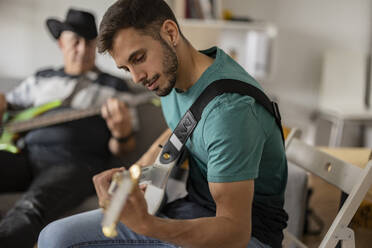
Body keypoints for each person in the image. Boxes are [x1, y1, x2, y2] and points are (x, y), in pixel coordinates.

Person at [38, 1, 288, 247]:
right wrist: (133, 175)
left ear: (170, 33)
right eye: (127, 68)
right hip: (191, 211)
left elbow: (235, 233)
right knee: (53, 237)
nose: (136, 78)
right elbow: (185, 127)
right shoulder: (173, 78)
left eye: (138, 58)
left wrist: (148, 226)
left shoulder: (229, 111)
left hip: (242, 235)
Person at [0, 8, 136, 248]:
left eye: (89, 43)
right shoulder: (41, 78)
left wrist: (121, 133)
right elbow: (7, 103)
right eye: (75, 41)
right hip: (25, 156)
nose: (82, 50)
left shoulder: (115, 86)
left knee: (31, 207)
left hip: (76, 164)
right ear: (62, 43)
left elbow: (124, 147)